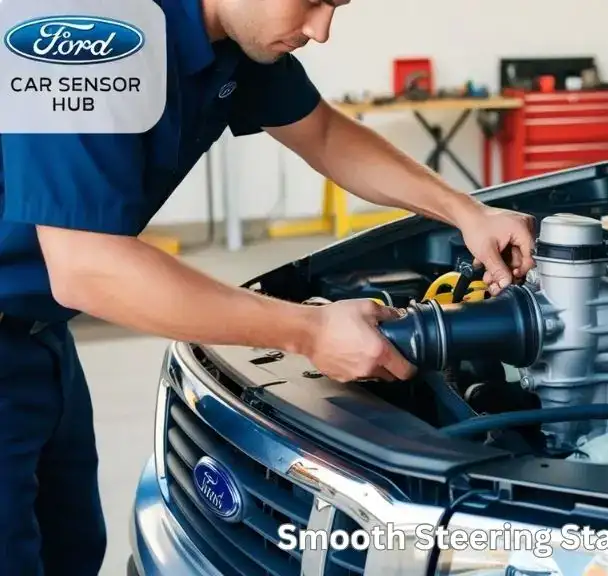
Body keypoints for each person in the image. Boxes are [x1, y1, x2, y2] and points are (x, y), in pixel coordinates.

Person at [0, 0, 537, 574]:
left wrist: (464, 211)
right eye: (310, 1)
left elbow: (324, 133)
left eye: (337, 6)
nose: (321, 30)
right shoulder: (82, 24)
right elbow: (88, 266)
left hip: (41, 335)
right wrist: (308, 331)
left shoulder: (236, 41)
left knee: (69, 548)